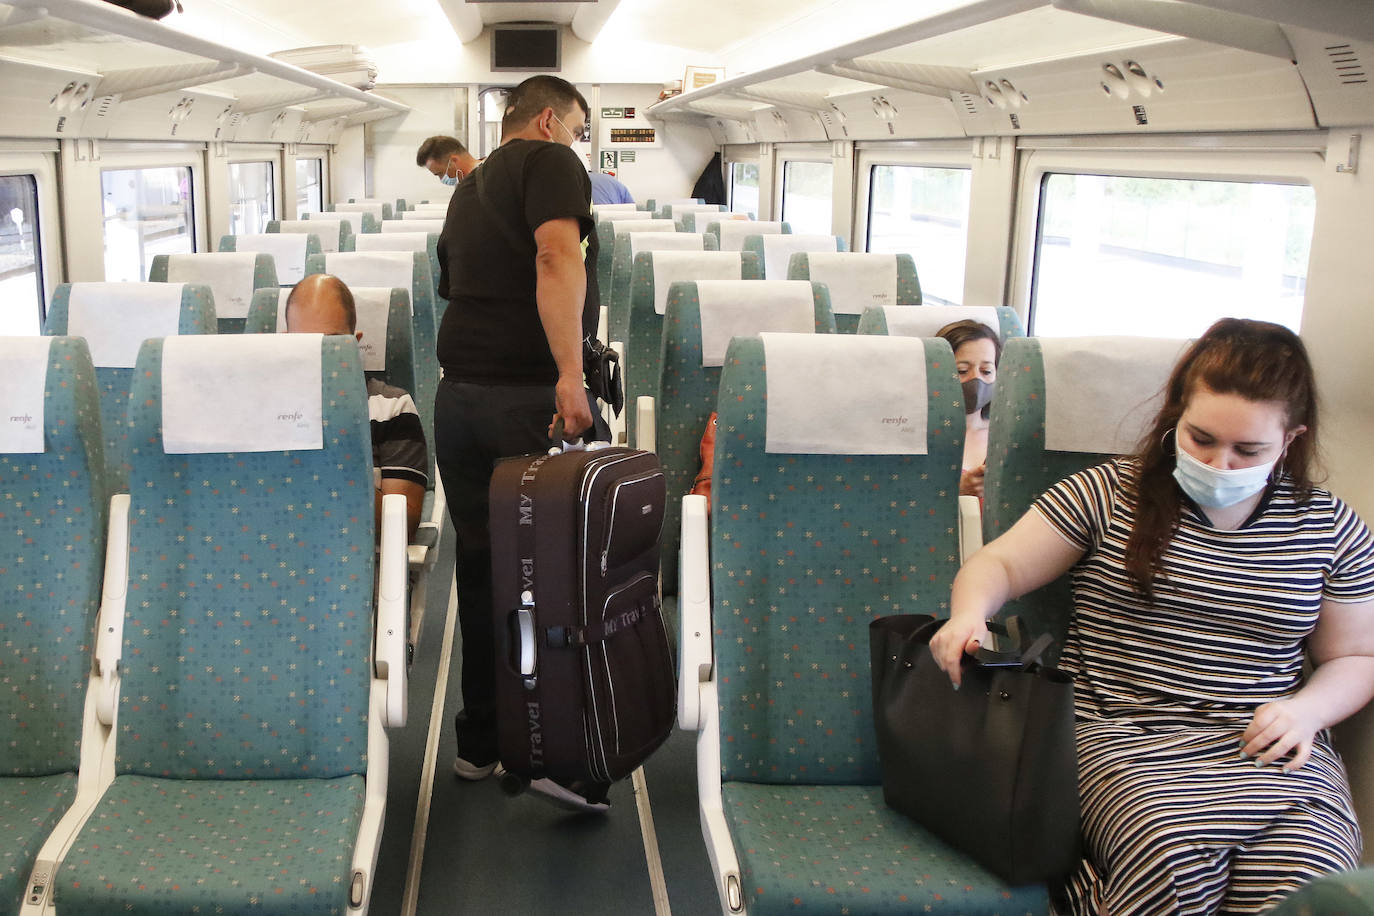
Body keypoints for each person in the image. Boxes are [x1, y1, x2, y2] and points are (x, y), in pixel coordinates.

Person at [929, 318, 1374, 914]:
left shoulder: (1329, 527)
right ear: (1175, 418)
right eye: (1201, 438)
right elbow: (1001, 565)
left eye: (1249, 450)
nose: (1220, 462)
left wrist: (1306, 710)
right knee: (1170, 858)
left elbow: (1355, 655)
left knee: (1308, 874)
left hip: (1268, 742)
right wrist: (968, 615)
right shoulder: (1111, 493)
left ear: (1290, 440)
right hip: (1120, 732)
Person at [433, 75, 611, 810]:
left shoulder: (468, 187)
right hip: (523, 402)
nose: (577, 143)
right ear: (547, 119)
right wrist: (572, 375)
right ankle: (551, 756)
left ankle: (481, 740)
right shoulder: (551, 162)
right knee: (545, 576)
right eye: (575, 129)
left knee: (481, 566)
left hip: (460, 400)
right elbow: (554, 259)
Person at [284, 274, 428, 540]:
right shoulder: (264, 412)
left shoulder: (392, 408)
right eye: (304, 342)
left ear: (355, 341)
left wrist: (337, 460)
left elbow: (401, 525)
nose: (320, 354)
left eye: (333, 343)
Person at [936, 319, 999, 499]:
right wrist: (958, 491)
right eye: (962, 371)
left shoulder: (1007, 437)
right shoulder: (919, 437)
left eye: (986, 371)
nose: (976, 380)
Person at [416, 135, 480, 186]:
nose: (442, 179)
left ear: (453, 161)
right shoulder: (470, 186)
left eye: (440, 173)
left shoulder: (486, 180)